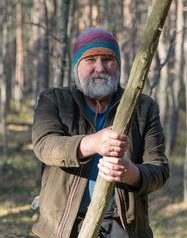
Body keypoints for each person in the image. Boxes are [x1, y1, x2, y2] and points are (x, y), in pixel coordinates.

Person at [32, 27, 169, 238]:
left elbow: (159, 169)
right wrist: (92, 143)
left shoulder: (143, 107)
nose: (100, 68)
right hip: (64, 226)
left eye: (108, 59)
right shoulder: (55, 100)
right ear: (77, 66)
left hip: (123, 226)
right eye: (90, 60)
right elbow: (44, 145)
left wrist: (132, 173)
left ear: (118, 66)